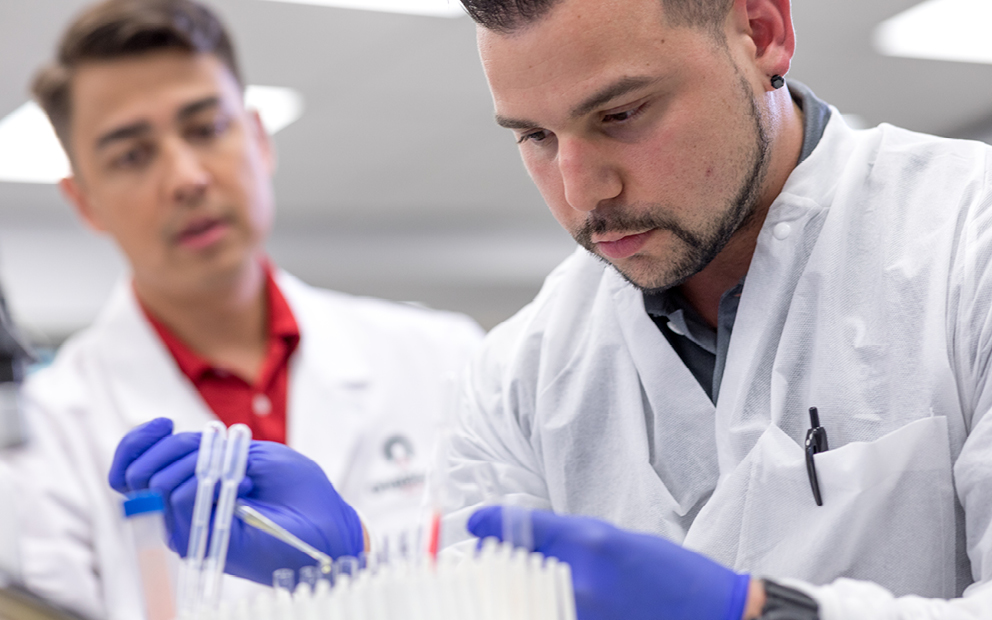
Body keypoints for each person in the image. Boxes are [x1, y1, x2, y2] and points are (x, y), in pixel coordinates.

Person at [112, 0, 992, 618]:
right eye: (534, 136)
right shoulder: (520, 374)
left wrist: (758, 613)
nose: (583, 191)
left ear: (761, 29)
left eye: (621, 114)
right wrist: (359, 577)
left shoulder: (965, 239)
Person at [1, 1, 482, 618]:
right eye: (132, 155)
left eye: (205, 129)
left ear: (258, 139)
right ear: (85, 202)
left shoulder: (442, 356)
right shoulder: (41, 443)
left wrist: (362, 560)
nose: (186, 177)